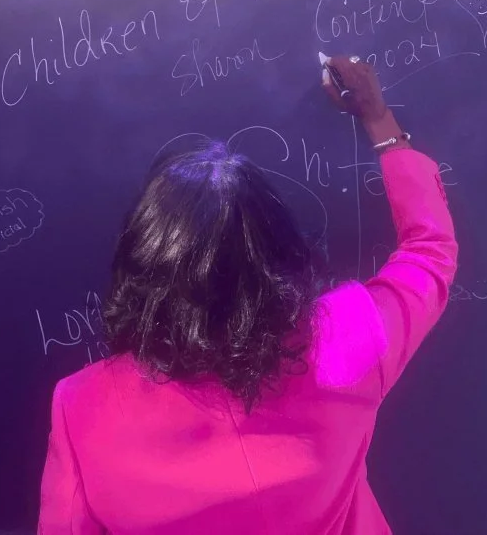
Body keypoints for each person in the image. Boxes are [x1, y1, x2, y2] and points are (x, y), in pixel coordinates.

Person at [38, 56, 458, 534]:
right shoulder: (345, 339)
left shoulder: (83, 406)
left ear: (140, 265)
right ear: (280, 253)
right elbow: (430, 253)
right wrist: (381, 122)